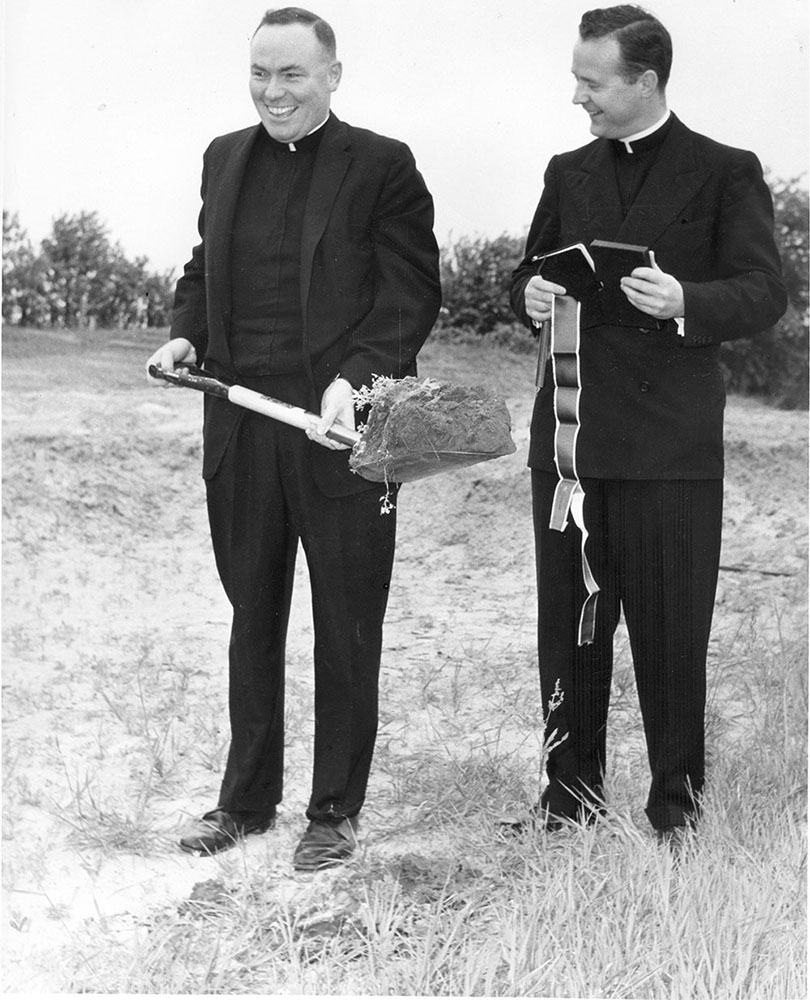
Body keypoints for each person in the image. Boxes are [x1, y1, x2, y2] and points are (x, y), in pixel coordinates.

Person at [146, 7, 441, 870]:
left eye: (292, 75)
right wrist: (184, 332)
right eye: (261, 74)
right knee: (253, 617)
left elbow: (409, 296)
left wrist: (354, 377)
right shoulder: (223, 157)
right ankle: (245, 802)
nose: (272, 91)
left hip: (339, 432)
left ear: (332, 76)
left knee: (347, 620)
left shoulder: (383, 165)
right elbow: (204, 265)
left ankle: (335, 813)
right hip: (240, 425)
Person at [509, 5, 786, 842]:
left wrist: (684, 302)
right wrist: (527, 294)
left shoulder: (726, 170)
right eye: (576, 81)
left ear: (646, 81)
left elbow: (765, 291)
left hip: (670, 452)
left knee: (671, 642)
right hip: (571, 443)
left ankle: (677, 812)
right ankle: (569, 800)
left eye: (591, 83)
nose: (577, 98)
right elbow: (533, 266)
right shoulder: (567, 169)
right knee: (569, 635)